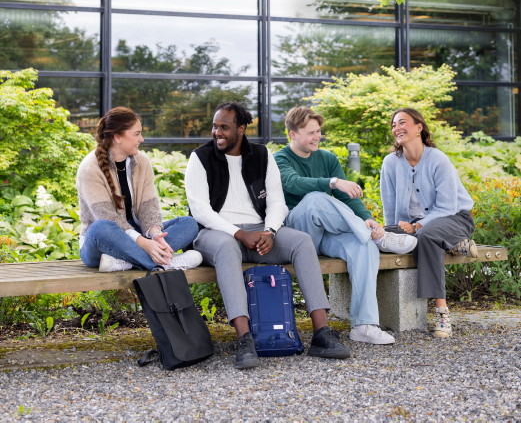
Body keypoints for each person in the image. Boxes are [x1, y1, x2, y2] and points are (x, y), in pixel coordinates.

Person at [184, 101, 351, 369]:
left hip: (259, 231)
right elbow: (200, 210)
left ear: (241, 128)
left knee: (301, 241)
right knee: (228, 248)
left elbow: (277, 202)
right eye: (215, 127)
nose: (217, 132)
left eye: (224, 127)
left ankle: (321, 333)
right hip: (215, 233)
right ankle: (244, 338)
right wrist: (238, 233)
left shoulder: (262, 156)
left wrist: (270, 230)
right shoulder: (200, 158)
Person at [274, 107, 417, 345]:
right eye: (310, 133)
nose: (317, 137)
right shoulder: (279, 159)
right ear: (292, 134)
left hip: (327, 235)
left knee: (364, 248)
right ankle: (376, 237)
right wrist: (332, 182)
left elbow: (347, 199)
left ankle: (364, 325)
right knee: (315, 198)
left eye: (318, 131)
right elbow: (294, 183)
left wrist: (367, 218)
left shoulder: (327, 158)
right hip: (298, 236)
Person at [380, 107, 477, 338]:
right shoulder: (391, 163)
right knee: (381, 234)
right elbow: (390, 209)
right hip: (414, 226)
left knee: (426, 235)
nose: (397, 128)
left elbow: (446, 207)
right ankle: (455, 244)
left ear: (419, 127)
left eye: (402, 122)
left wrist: (415, 228)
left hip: (455, 217)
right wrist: (393, 234)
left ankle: (441, 311)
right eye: (394, 125)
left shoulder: (438, 160)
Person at [77, 106, 202, 273]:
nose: (141, 139)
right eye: (136, 134)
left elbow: (147, 206)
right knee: (102, 227)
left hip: (138, 235)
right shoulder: (90, 168)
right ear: (117, 137)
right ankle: (165, 263)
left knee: (189, 223)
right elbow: (107, 217)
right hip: (101, 244)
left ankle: (125, 262)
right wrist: (143, 243)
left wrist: (154, 233)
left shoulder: (141, 161)